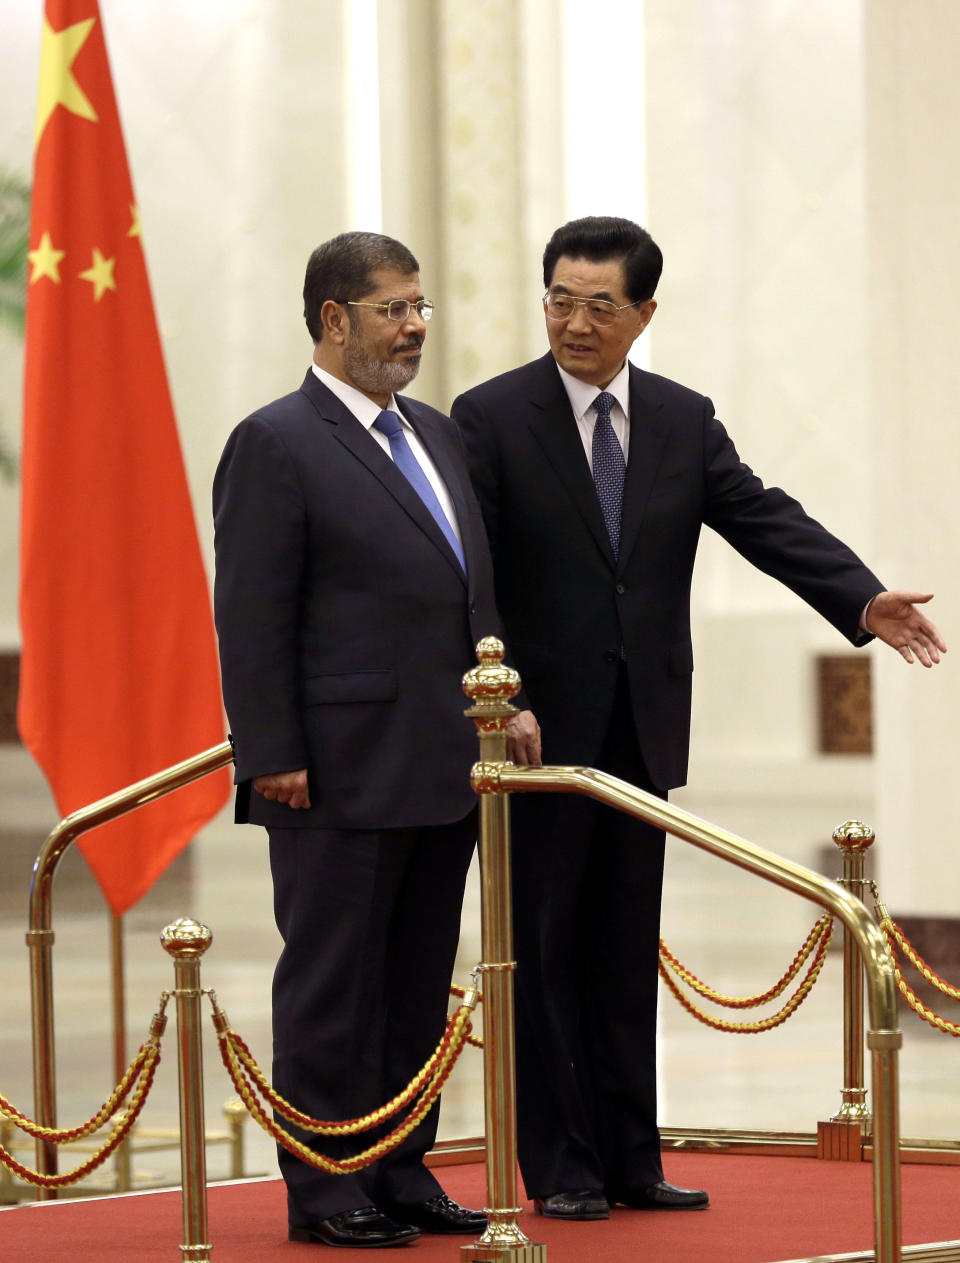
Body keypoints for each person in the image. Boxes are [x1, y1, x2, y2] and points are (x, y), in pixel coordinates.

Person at [451, 215, 946, 1222]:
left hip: (641, 723)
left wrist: (861, 598)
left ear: (644, 313)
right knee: (543, 951)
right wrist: (505, 698)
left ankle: (634, 1157)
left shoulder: (681, 417)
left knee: (626, 947)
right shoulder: (490, 416)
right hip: (538, 736)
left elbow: (762, 516)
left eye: (599, 303)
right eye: (558, 297)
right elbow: (475, 577)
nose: (574, 320)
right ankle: (565, 1170)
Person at [213, 231, 496, 1249]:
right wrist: (271, 750)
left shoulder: (434, 432)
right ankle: (327, 1183)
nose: (416, 325)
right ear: (335, 320)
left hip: (443, 763)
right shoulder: (276, 441)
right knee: (336, 984)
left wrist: (504, 704)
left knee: (419, 980)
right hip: (330, 773)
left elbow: (471, 590)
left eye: (419, 306)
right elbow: (251, 612)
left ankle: (401, 1165)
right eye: (393, 308)